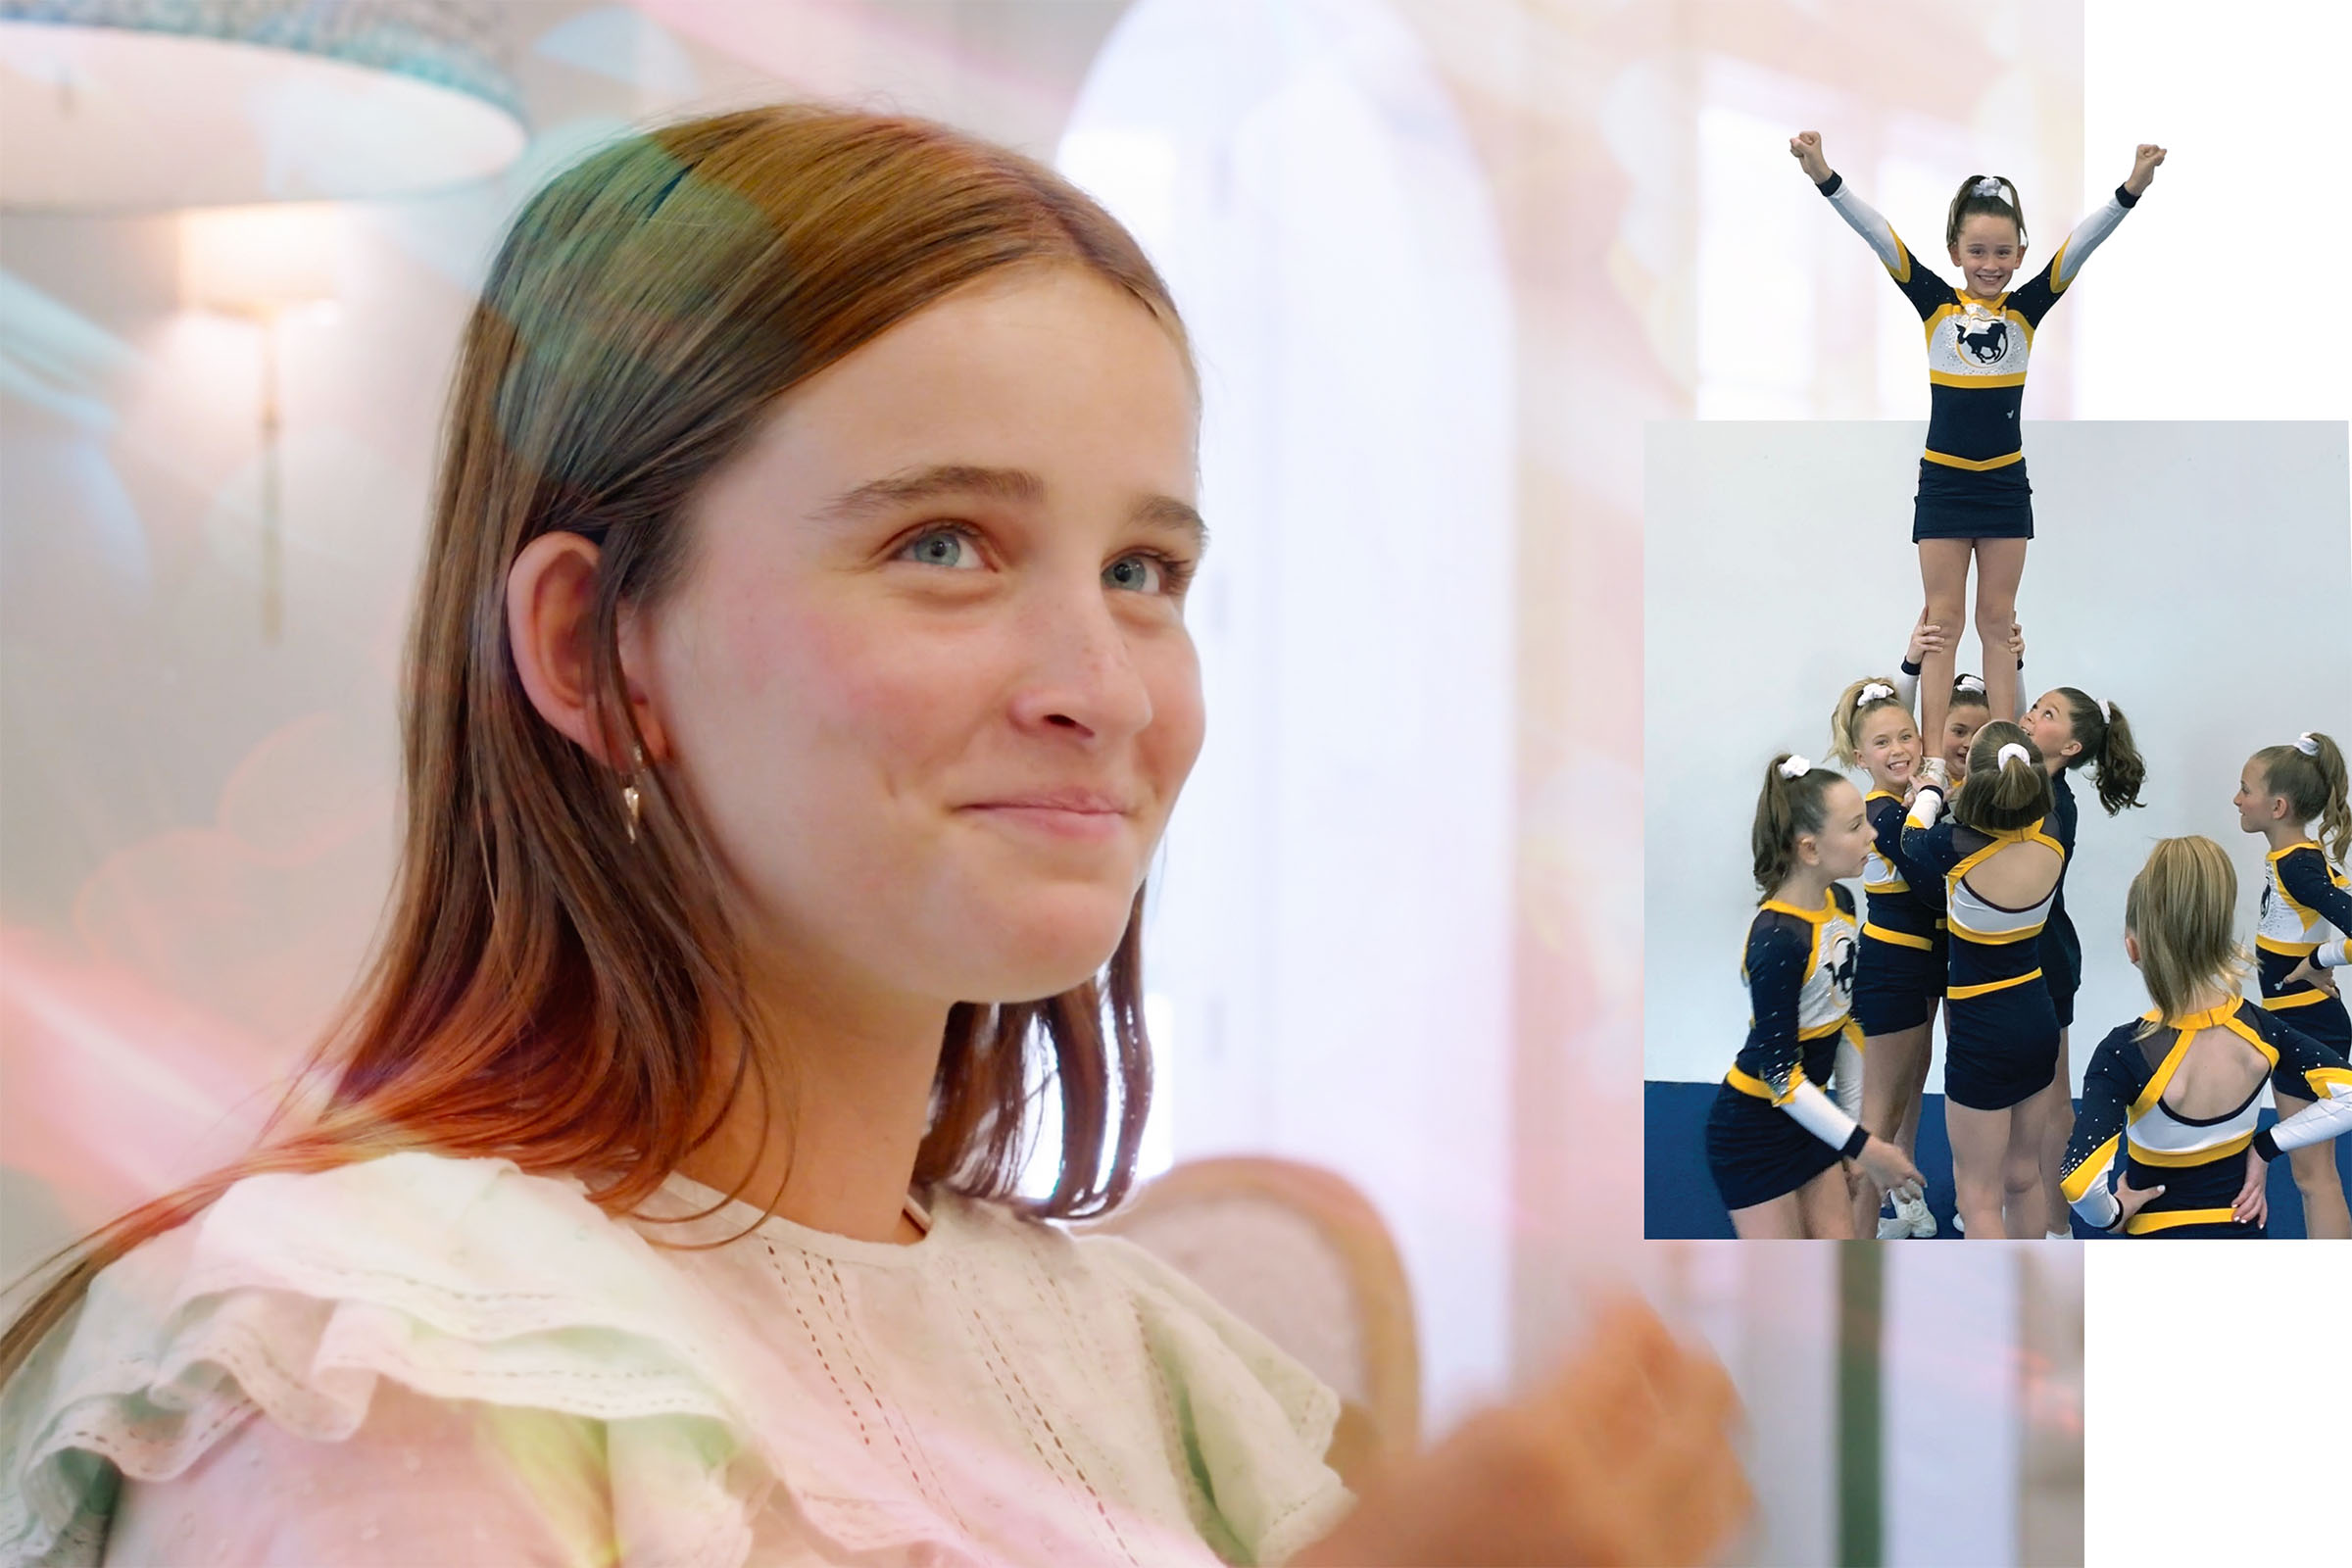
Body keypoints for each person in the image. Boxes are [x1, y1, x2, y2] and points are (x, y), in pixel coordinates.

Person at [0, 107, 1749, 1568]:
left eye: (1144, 573)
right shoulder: (359, 1355)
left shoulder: (1149, 1372)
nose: (1103, 689)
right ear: (592, 649)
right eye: (943, 546)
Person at [1788, 130, 2165, 755]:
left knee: (1997, 622)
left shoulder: (2026, 311)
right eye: (1976, 251)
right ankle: (1935, 758)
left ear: (2020, 253)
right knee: (1941, 624)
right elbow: (1880, 234)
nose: (1989, 264)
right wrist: (1824, 175)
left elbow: (2082, 245)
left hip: (2003, 485)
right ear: (1955, 252)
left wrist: (2131, 189)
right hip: (1944, 481)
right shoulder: (1936, 306)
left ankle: (1998, 753)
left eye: (2002, 252)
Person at [2060, 837, 2352, 1238]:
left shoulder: (2124, 1052)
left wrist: (2112, 1214)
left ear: (2133, 949)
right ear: (2220, 940)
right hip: (2242, 1229)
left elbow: (2079, 1183)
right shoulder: (2262, 1030)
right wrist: (2267, 1146)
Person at [1705, 756, 1925, 1239]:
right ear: (1809, 848)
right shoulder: (1778, 939)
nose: (1872, 834)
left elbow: (1845, 1026)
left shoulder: (1841, 904)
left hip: (1810, 1123)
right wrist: (1865, 1144)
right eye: (1854, 826)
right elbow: (1781, 1078)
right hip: (1753, 1132)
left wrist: (1849, 1137)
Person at [1903, 725, 2063, 1239]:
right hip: (2037, 1012)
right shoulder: (2054, 830)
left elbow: (1909, 837)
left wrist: (1930, 788)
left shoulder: (1954, 845)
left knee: (1978, 1193)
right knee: (2024, 1177)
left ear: (1972, 780)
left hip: (1981, 1027)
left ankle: (1989, 1316)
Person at [2018, 685, 2148, 1235]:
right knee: (2021, 1094)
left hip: (2044, 957)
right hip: (2015, 955)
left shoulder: (2051, 803)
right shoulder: (2026, 781)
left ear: (2070, 746)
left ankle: (2057, 1226)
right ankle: (2022, 1206)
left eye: (2046, 714)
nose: (2029, 716)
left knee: (2051, 1096)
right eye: (2035, 705)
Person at [1826, 657, 1939, 1240]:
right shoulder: (1881, 811)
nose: (1898, 749)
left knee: (1909, 1097)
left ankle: (1906, 1203)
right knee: (1878, 1119)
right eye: (1882, 743)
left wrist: (1914, 664)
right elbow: (1930, 871)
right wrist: (1937, 798)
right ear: (1859, 757)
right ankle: (1855, 1235)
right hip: (1893, 971)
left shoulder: (1908, 802)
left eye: (1907, 736)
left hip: (1921, 971)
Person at [2233, 731, 2352, 1239]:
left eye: (2245, 789)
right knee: (2312, 1175)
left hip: (2306, 1025)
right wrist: (2311, 959)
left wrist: (2317, 959)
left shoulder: (2299, 865)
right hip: (2298, 1020)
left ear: (2277, 806)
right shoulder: (2300, 857)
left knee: (2313, 1176)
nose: (2237, 799)